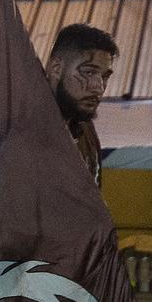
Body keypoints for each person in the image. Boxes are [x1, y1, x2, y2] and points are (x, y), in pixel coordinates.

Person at [44, 22, 117, 186]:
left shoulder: (85, 128)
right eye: (89, 72)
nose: (98, 87)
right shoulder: (22, 132)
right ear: (56, 68)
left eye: (105, 76)